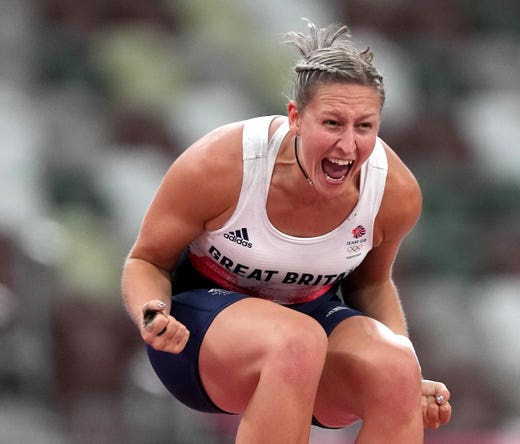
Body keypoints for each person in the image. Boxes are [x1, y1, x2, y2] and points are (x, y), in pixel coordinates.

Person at [121, 20, 451, 443]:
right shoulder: (222, 165)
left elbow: (371, 286)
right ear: (295, 117)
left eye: (364, 127)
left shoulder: (394, 192)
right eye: (332, 123)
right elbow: (146, 259)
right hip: (198, 337)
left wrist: (412, 383)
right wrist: (152, 312)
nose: (348, 146)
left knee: (397, 368)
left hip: (310, 324)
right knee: (296, 341)